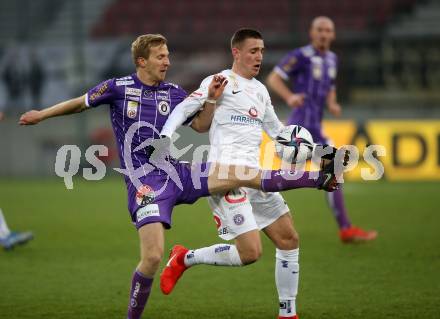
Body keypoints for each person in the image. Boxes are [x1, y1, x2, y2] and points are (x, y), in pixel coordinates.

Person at [19, 34, 337, 319]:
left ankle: (286, 309)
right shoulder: (119, 87)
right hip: (146, 181)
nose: (168, 62)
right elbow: (79, 104)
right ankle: (318, 178)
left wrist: (211, 102)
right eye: (161, 56)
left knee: (276, 226)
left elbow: (199, 125)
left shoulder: (174, 91)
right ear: (142, 61)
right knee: (154, 256)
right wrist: (41, 115)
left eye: (168, 56)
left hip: (178, 172)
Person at [160, 29, 307, 319]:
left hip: (253, 176)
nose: (259, 57)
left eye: (262, 51)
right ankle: (185, 257)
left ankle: (288, 313)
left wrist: (308, 149)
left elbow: (278, 133)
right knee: (250, 253)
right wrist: (165, 136)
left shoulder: (260, 91)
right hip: (226, 177)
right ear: (236, 53)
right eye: (253, 51)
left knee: (289, 239)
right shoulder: (219, 82)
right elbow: (184, 108)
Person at [266, 16, 377, 243]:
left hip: (316, 127)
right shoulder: (301, 56)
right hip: (298, 131)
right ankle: (260, 215)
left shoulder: (333, 59)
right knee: (284, 175)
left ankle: (345, 228)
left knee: (334, 169)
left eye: (328, 30)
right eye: (320, 30)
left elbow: (330, 86)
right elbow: (274, 77)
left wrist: (333, 103)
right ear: (312, 33)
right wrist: (290, 96)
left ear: (333, 35)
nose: (324, 34)